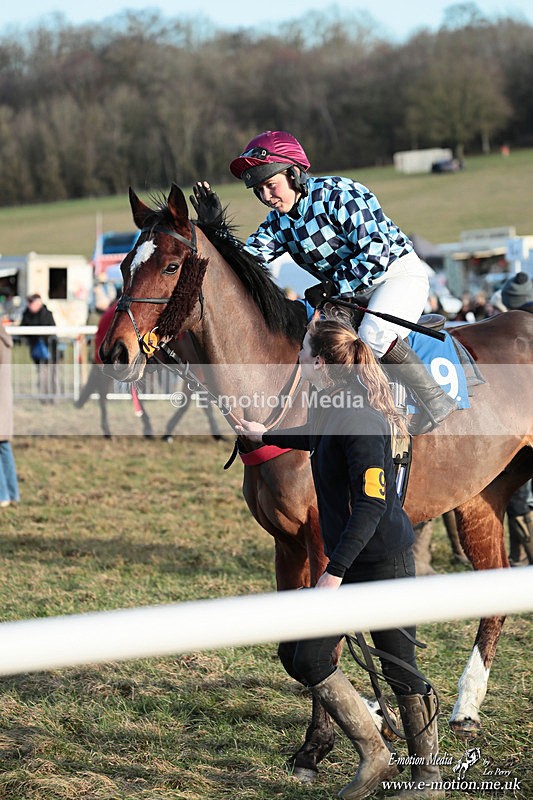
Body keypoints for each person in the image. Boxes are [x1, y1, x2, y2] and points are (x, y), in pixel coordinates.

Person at [236, 315, 442, 800]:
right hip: (351, 562)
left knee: (401, 670)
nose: (299, 357)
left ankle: (429, 780)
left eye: (305, 351)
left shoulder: (362, 419)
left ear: (323, 364)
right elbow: (316, 436)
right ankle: (376, 754)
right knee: (302, 655)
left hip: (381, 563)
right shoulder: (333, 404)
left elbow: (370, 506)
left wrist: (334, 573)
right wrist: (266, 435)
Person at [195, 130, 457, 433]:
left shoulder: (340, 193)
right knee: (314, 344)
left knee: (374, 336)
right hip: (349, 293)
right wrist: (214, 230)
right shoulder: (278, 223)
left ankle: (435, 399)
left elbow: (376, 251)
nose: (266, 197)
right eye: (259, 190)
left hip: (396, 275)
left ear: (294, 174)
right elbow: (245, 263)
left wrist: (333, 286)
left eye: (271, 185)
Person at [20, 293, 57, 399]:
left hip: (50, 351)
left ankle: (53, 397)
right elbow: (22, 330)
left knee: (53, 375)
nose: (30, 305)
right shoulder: (26, 314)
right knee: (42, 375)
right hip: (37, 352)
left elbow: (52, 330)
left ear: (39, 303)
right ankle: (44, 397)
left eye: (32, 302)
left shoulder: (47, 314)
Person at [0, 325, 20, 507]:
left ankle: (2, 495)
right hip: (4, 396)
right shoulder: (4, 338)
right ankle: (13, 493)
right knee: (4, 446)